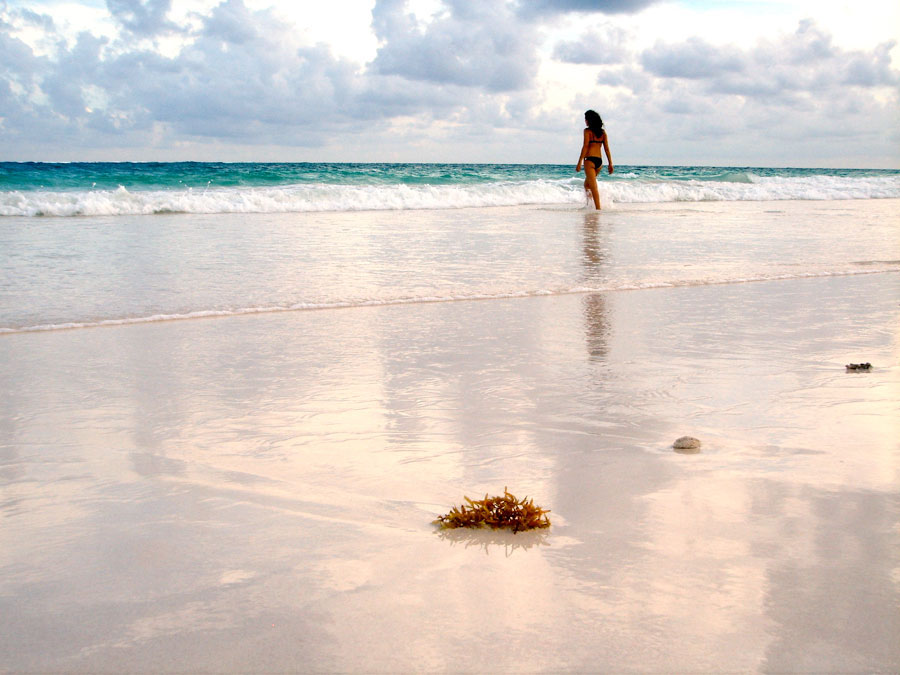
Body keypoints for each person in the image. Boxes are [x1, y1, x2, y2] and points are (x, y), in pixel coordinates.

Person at [576, 110, 614, 209]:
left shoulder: (587, 131)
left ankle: (598, 210)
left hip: (590, 161)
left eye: (586, 119)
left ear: (589, 120)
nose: (585, 121)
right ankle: (590, 206)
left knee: (593, 187)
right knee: (587, 185)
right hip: (599, 162)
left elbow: (585, 146)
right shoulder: (602, 133)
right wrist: (610, 163)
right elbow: (606, 149)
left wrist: (579, 162)